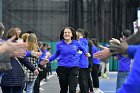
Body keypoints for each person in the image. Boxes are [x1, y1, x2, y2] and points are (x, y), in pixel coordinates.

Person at [47, 27, 90, 93]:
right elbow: (56, 54)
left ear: (72, 35)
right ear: (63, 34)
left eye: (69, 32)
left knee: (72, 90)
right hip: (62, 68)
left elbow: (83, 49)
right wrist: (48, 60)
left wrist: (86, 53)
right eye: (65, 32)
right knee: (63, 89)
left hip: (74, 68)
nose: (67, 34)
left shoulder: (76, 43)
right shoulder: (59, 44)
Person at [0, 28, 39, 93]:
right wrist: (34, 69)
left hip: (5, 76)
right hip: (18, 77)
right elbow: (24, 59)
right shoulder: (17, 45)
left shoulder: (3, 44)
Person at [76, 29, 89, 93]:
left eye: (76, 33)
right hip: (85, 63)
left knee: (82, 81)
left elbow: (79, 53)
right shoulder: (85, 41)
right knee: (84, 80)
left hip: (81, 63)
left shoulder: (80, 42)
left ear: (79, 34)